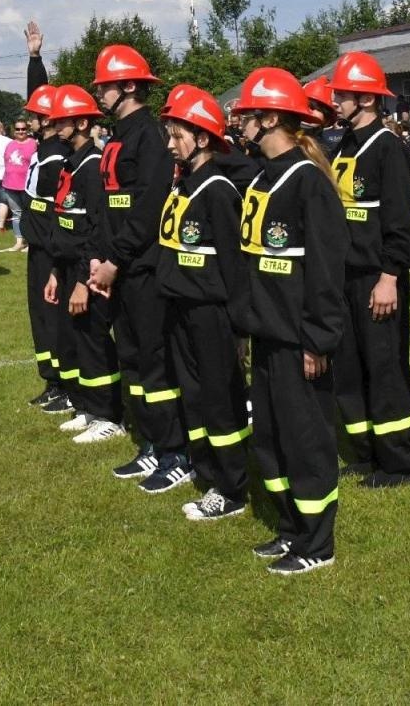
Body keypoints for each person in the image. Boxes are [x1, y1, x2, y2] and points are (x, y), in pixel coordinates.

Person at [232, 66, 348, 575]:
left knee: (307, 440)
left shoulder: (307, 182)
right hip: (266, 333)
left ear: (271, 118)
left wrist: (317, 340)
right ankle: (290, 528)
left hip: (299, 338)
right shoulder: (262, 176)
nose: (239, 122)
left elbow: (325, 270)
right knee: (272, 438)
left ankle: (317, 544)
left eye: (248, 114)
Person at [84, 45, 190, 491]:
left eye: (105, 85)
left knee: (154, 362)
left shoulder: (149, 135)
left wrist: (115, 258)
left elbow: (148, 208)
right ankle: (150, 442)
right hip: (118, 269)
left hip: (143, 268)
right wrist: (98, 256)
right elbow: (108, 205)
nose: (99, 93)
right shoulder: (116, 136)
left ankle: (176, 451)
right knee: (131, 358)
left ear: (128, 85)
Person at [155, 85, 252, 520]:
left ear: (203, 138)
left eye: (177, 136)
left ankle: (231, 487)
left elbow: (235, 265)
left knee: (220, 398)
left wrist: (239, 328)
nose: (170, 145)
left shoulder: (217, 189)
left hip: (211, 312)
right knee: (193, 395)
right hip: (180, 307)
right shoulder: (184, 183)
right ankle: (206, 469)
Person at [329, 52, 410, 489]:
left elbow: (399, 222)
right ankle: (365, 452)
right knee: (349, 367)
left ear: (365, 99)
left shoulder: (389, 148)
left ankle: (398, 462)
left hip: (376, 276)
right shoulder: (344, 143)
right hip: (344, 276)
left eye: (342, 95)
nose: (335, 102)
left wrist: (389, 276)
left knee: (385, 369)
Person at [44, 85, 127, 445]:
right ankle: (89, 407)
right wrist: (54, 271)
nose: (54, 126)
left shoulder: (93, 166)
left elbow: (96, 228)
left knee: (94, 340)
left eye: (61, 121)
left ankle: (110, 415)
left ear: (80, 123)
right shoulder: (70, 162)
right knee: (76, 341)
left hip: (86, 270)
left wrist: (82, 280)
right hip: (67, 267)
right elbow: (63, 221)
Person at [21, 85, 71, 410]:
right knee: (39, 317)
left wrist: (55, 256)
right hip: (37, 248)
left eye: (35, 116)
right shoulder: (43, 150)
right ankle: (51, 380)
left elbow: (58, 209)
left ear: (48, 119)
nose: (30, 122)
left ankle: (65, 384)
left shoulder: (57, 156)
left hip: (50, 250)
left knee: (52, 317)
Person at [1, 118, 35, 252]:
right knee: (16, 214)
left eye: (23, 129)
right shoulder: (9, 144)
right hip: (10, 185)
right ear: (14, 130)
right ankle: (19, 241)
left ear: (27, 130)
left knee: (30, 214)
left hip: (27, 187)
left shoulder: (33, 144)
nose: (21, 131)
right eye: (18, 129)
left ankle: (31, 242)